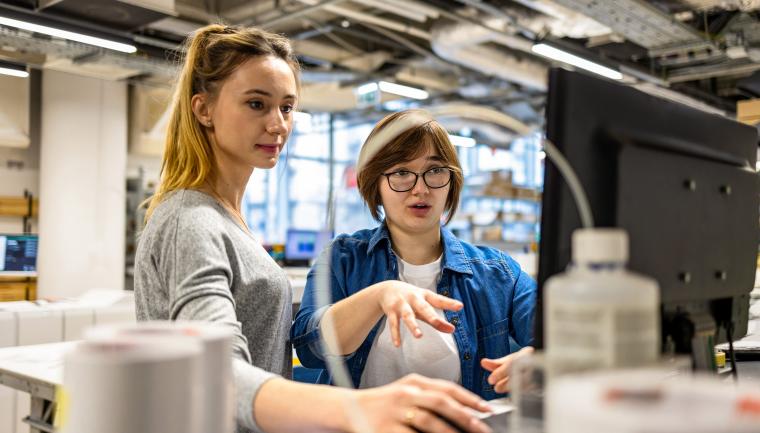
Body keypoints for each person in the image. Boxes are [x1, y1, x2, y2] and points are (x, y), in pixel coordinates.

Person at [134, 24, 493, 433]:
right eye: (256, 104)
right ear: (203, 109)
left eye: (287, 108)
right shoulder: (191, 220)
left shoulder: (225, 218)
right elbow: (215, 372)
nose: (278, 124)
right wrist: (356, 409)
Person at [291, 110, 537, 400]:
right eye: (401, 173)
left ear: (451, 181)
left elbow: (562, 337)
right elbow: (310, 348)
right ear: (376, 184)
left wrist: (538, 359)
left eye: (435, 171)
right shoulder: (343, 259)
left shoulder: (498, 273)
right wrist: (379, 295)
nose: (420, 189)